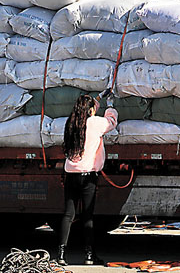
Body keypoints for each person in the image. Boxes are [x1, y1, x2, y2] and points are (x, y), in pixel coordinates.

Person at [56, 93, 118, 266]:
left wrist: (96, 98)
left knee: (68, 214)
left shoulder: (72, 123)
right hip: (88, 176)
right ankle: (89, 255)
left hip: (70, 174)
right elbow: (111, 122)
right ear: (91, 110)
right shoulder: (96, 123)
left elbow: (88, 110)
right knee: (87, 216)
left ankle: (61, 255)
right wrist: (110, 106)